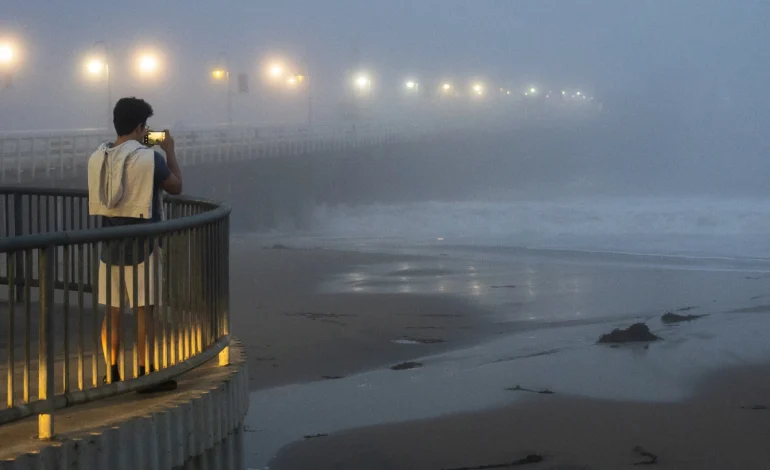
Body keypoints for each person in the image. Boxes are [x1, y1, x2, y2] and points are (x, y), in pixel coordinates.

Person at [87, 97, 183, 391]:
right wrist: (169, 150)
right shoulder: (149, 158)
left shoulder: (97, 157)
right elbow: (176, 186)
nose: (147, 133)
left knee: (113, 312)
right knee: (145, 310)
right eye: (146, 128)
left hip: (109, 244)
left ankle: (112, 372)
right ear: (140, 126)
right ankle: (146, 375)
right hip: (145, 244)